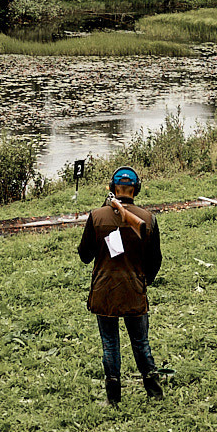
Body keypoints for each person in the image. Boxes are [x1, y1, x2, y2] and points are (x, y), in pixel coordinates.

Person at [77, 165, 164, 404]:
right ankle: (154, 393)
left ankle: (113, 399)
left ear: (112, 187)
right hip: (135, 289)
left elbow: (85, 255)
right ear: (136, 189)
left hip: (104, 291)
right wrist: (143, 281)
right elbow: (155, 260)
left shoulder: (97, 216)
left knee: (110, 345)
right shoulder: (148, 219)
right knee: (141, 343)